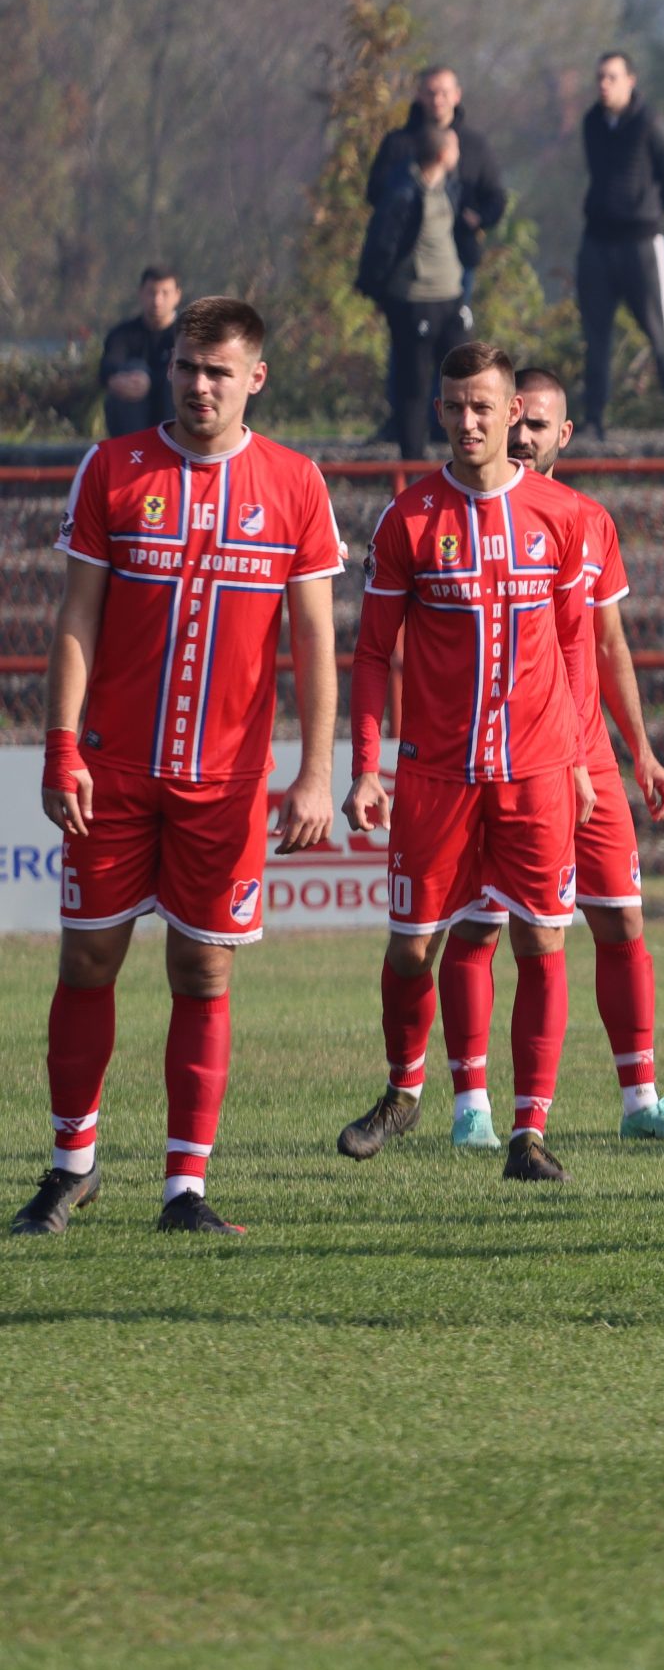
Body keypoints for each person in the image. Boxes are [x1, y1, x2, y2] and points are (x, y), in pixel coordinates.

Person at [14, 297, 341, 1237]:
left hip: (226, 784)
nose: (201, 386)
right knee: (89, 956)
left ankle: (183, 1188)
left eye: (219, 371)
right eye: (188, 369)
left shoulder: (295, 484)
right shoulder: (114, 469)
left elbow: (315, 642)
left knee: (203, 971)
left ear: (255, 379)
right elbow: (76, 619)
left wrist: (315, 773)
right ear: (172, 369)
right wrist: (62, 746)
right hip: (112, 772)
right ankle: (71, 1166)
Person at [425, 366, 664, 1150]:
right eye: (518, 424)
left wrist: (641, 752)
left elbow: (609, 645)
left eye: (538, 427)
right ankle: (472, 1107)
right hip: (509, 758)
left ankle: (641, 1099)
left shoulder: (586, 521)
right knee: (482, 927)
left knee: (621, 919)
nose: (523, 438)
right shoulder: (475, 517)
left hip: (589, 758)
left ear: (561, 434)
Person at [336, 342, 598, 1186]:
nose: (470, 420)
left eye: (484, 405)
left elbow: (574, 646)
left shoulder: (563, 516)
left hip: (538, 770)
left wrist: (586, 755)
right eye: (454, 406)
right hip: (436, 775)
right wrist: (367, 766)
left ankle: (529, 1131)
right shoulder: (409, 518)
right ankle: (404, 1088)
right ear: (440, 411)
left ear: (514, 410)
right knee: (414, 946)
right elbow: (373, 652)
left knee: (543, 938)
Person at [365, 65, 509, 438]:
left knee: (455, 353)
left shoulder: (474, 144)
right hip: (408, 275)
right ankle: (402, 421)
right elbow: (377, 197)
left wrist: (476, 219)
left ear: (457, 95)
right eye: (430, 92)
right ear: (418, 95)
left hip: (457, 264)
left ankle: (442, 423)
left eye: (444, 92)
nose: (437, 99)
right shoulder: (399, 144)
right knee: (407, 352)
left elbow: (496, 197)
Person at [578, 51, 664, 444]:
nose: (603, 85)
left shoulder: (651, 124)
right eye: (599, 78)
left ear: (630, 80)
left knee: (661, 333)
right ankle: (593, 420)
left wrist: (648, 214)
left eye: (611, 77)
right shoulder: (592, 123)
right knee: (595, 336)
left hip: (640, 243)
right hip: (597, 241)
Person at [356, 123, 472, 460]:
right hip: (415, 301)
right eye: (454, 148)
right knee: (415, 385)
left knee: (467, 377)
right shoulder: (404, 192)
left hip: (451, 298)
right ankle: (413, 462)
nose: (459, 154)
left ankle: (466, 457)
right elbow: (382, 245)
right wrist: (383, 292)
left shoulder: (449, 188)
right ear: (441, 154)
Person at [96, 267, 181, 438]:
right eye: (152, 292)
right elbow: (108, 366)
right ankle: (131, 453)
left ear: (177, 295)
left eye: (165, 293)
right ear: (141, 293)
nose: (157, 300)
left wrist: (151, 381)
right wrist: (117, 380)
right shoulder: (122, 334)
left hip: (172, 417)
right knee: (132, 369)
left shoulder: (186, 334)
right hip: (133, 415)